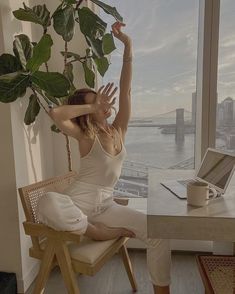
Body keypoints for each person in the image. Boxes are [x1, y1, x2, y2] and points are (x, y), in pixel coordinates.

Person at [49, 22, 171, 294]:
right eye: (96, 103)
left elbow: (126, 91)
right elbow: (55, 114)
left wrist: (128, 45)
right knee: (49, 202)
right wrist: (93, 104)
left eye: (102, 101)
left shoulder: (119, 130)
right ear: (87, 111)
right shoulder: (84, 136)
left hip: (106, 207)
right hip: (78, 206)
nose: (105, 105)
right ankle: (94, 231)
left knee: (158, 233)